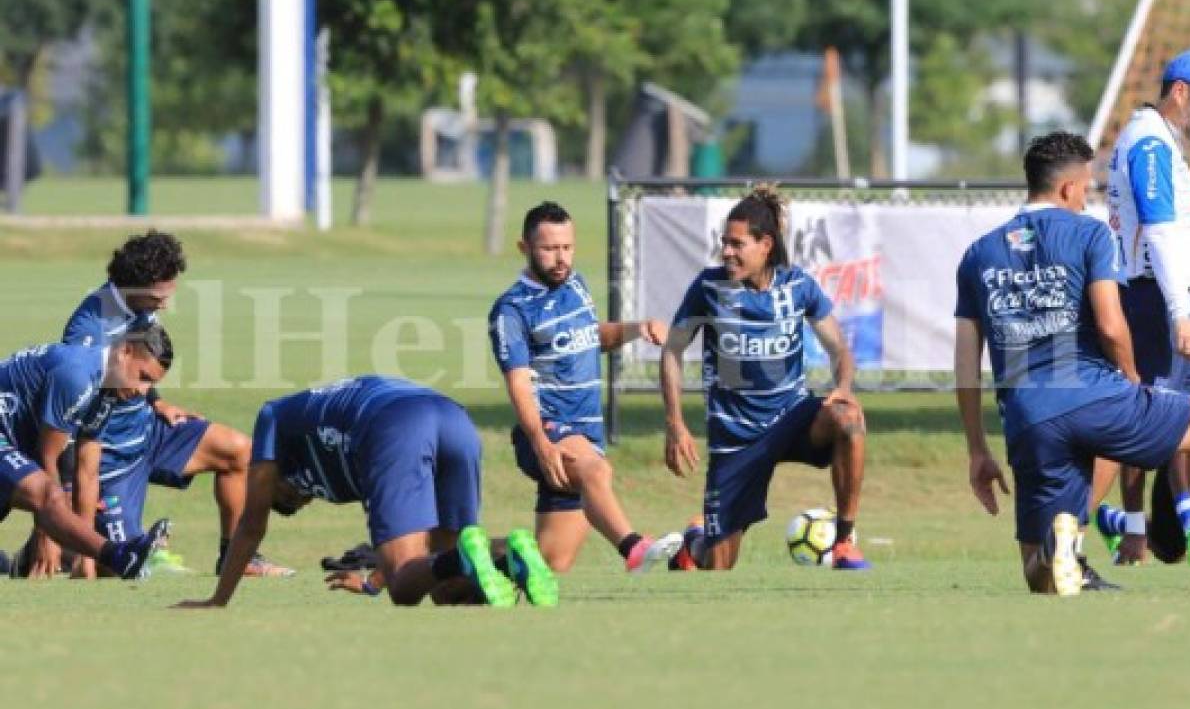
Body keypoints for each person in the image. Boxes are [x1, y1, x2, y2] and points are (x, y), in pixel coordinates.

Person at [954, 130, 1190, 596]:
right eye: (1086, 188)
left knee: (1037, 574)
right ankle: (1079, 534)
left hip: (1028, 418)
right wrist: (1130, 380)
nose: (1086, 197)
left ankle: (1063, 547)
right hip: (1095, 395)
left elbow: (966, 365)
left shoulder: (979, 253)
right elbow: (1110, 325)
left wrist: (977, 450)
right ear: (1068, 189)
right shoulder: (1088, 233)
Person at [174, 376, 558, 609]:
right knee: (448, 589)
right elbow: (410, 533)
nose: (299, 500)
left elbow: (251, 525)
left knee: (406, 590)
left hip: (396, 424)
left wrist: (218, 599)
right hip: (452, 418)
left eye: (287, 498)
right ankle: (508, 553)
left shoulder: (272, 418)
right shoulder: (329, 456)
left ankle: (486, 555)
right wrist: (375, 582)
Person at [46, 230, 291, 578]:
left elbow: (140, 368)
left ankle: (239, 557)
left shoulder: (139, 305)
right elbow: (67, 418)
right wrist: (70, 486)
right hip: (110, 457)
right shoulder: (88, 332)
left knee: (239, 451)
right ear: (135, 284)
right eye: (159, 296)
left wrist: (158, 403)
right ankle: (61, 550)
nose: (164, 304)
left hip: (149, 431)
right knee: (121, 565)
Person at [659, 185, 871, 571]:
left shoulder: (798, 286)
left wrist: (842, 389)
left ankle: (844, 541)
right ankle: (695, 543)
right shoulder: (710, 288)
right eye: (724, 242)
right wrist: (674, 423)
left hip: (791, 418)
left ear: (765, 245)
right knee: (719, 566)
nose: (726, 252)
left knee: (849, 419)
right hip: (736, 437)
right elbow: (672, 350)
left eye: (737, 244)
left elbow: (839, 349)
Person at [487, 201, 682, 574]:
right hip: (548, 431)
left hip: (586, 431)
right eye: (548, 249)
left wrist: (634, 329)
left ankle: (444, 562)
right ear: (524, 248)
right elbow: (518, 384)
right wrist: (541, 443)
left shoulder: (575, 284)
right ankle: (634, 550)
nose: (560, 258)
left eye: (567, 248)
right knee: (596, 471)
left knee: (550, 562)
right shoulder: (512, 310)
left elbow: (592, 337)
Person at [1098, 50, 1190, 564]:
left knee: (1175, 419)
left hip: (1164, 293)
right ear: (1181, 90)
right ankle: (1119, 529)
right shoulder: (1151, 141)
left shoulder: (1163, 141)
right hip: (1157, 296)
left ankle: (1153, 530)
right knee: (1143, 415)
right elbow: (1158, 232)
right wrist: (1182, 311)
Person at [0, 326, 171, 582]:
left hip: (10, 442)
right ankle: (122, 557)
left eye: (152, 384)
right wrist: (46, 537)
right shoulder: (77, 376)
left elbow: (88, 471)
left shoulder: (108, 390)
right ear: (124, 352)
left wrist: (85, 558)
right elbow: (48, 457)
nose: (143, 392)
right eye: (143, 376)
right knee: (49, 493)